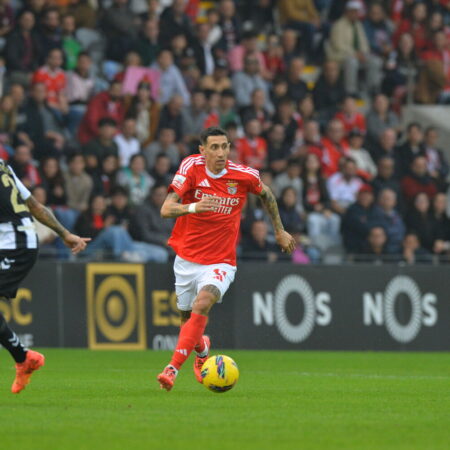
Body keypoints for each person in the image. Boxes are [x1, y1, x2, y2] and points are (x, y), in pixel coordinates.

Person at [156, 126, 295, 391]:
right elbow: (166, 208)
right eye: (215, 147)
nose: (221, 153)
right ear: (202, 150)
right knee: (188, 323)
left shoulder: (242, 175)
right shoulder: (191, 167)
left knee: (203, 302)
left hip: (221, 261)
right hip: (186, 259)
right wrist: (195, 206)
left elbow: (267, 194)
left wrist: (279, 230)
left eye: (225, 146)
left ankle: (171, 369)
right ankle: (201, 350)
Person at [0, 158, 89, 394]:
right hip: (16, 242)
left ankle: (23, 357)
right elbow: (35, 205)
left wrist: (64, 234)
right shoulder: (3, 166)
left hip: (14, 245)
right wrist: (64, 233)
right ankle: (24, 358)